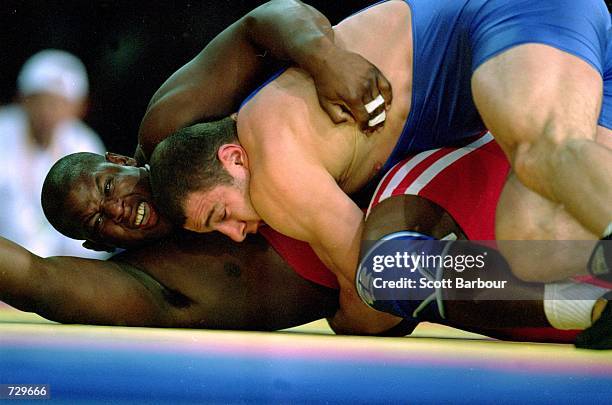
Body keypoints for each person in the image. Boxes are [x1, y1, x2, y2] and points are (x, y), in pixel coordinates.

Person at [148, 0, 612, 332]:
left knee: (542, 152)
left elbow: (383, 296)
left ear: (232, 157)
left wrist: (346, 320)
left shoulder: (273, 172)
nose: (235, 233)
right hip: (544, 53)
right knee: (533, 242)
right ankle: (598, 304)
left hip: (514, 17)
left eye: (219, 214)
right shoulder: (272, 123)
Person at [12, 148, 602, 345]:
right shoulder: (154, 282)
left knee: (391, 272)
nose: (115, 210)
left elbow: (262, 25)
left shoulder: (182, 125)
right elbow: (40, 281)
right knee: (572, 312)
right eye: (96, 223)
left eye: (107, 189)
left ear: (120, 160)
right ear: (96, 244)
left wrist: (317, 49)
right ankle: (589, 301)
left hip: (416, 195)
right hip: (426, 275)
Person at [0, 49, 107, 258]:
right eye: (43, 100)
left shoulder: (85, 143)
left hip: (63, 267)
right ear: (23, 98)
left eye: (61, 103)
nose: (50, 111)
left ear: (79, 108)